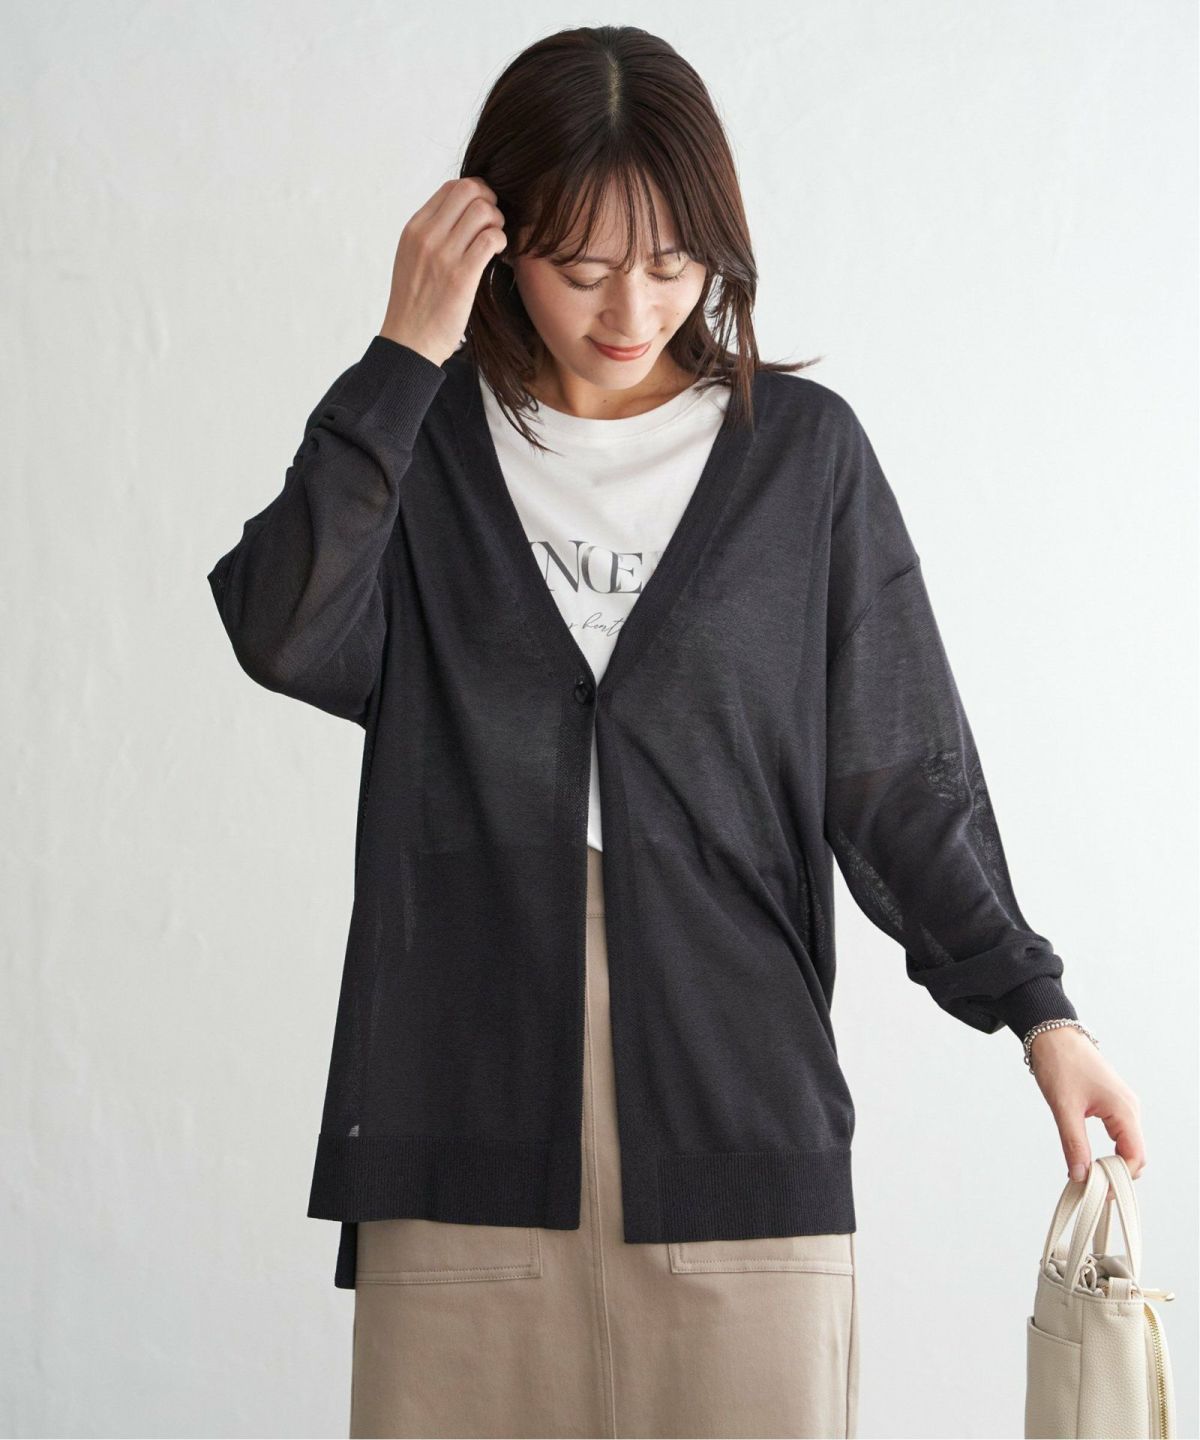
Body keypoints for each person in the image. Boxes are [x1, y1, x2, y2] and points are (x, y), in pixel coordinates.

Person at [206, 25, 1147, 1440]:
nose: (631, 307)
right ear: (498, 241)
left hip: (737, 1117)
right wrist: (403, 355)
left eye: (671, 262)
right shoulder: (426, 448)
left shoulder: (801, 458)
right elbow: (282, 627)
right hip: (459, 1112)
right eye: (581, 266)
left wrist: (1040, 1013)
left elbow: (900, 781)